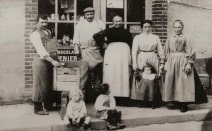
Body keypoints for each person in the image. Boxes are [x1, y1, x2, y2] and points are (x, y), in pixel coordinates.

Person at [162, 19, 208, 112]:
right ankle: (175, 101)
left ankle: (184, 104)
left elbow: (191, 51)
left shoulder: (187, 37)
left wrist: (189, 64)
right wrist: (163, 63)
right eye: (175, 27)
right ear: (173, 28)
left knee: (183, 83)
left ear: (182, 27)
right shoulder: (170, 38)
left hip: (183, 60)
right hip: (172, 61)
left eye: (179, 27)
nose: (177, 29)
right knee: (173, 81)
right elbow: (165, 51)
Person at [93, 15, 132, 105]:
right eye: (116, 21)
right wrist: (103, 43)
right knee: (111, 73)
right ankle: (111, 96)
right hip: (112, 53)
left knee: (123, 73)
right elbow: (96, 36)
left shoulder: (126, 32)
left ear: (122, 22)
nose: (118, 23)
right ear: (112, 22)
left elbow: (130, 43)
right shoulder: (108, 30)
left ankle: (123, 97)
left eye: (119, 21)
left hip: (123, 54)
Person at [30, 14, 61, 115]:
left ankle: (48, 105)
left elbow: (53, 47)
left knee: (49, 84)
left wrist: (56, 58)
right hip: (41, 61)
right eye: (42, 22)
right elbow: (41, 50)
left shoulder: (49, 32)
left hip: (51, 60)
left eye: (46, 22)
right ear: (37, 23)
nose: (44, 24)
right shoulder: (35, 34)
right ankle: (37, 108)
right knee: (40, 84)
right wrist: (52, 61)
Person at [131, 20, 163, 107]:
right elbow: (134, 51)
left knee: (153, 78)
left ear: (151, 27)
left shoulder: (155, 37)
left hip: (153, 56)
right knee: (141, 78)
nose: (147, 28)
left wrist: (162, 60)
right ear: (142, 28)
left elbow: (160, 50)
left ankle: (154, 99)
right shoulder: (138, 37)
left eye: (149, 26)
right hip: (141, 56)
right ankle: (141, 99)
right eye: (145, 27)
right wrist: (134, 63)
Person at [73, 7, 105, 91]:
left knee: (98, 73)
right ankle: (85, 93)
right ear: (84, 15)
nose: (89, 16)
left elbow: (104, 36)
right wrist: (76, 47)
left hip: (96, 51)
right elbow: (76, 37)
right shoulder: (80, 24)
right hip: (85, 51)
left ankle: (98, 92)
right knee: (84, 73)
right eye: (87, 14)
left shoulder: (100, 23)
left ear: (94, 14)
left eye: (91, 14)